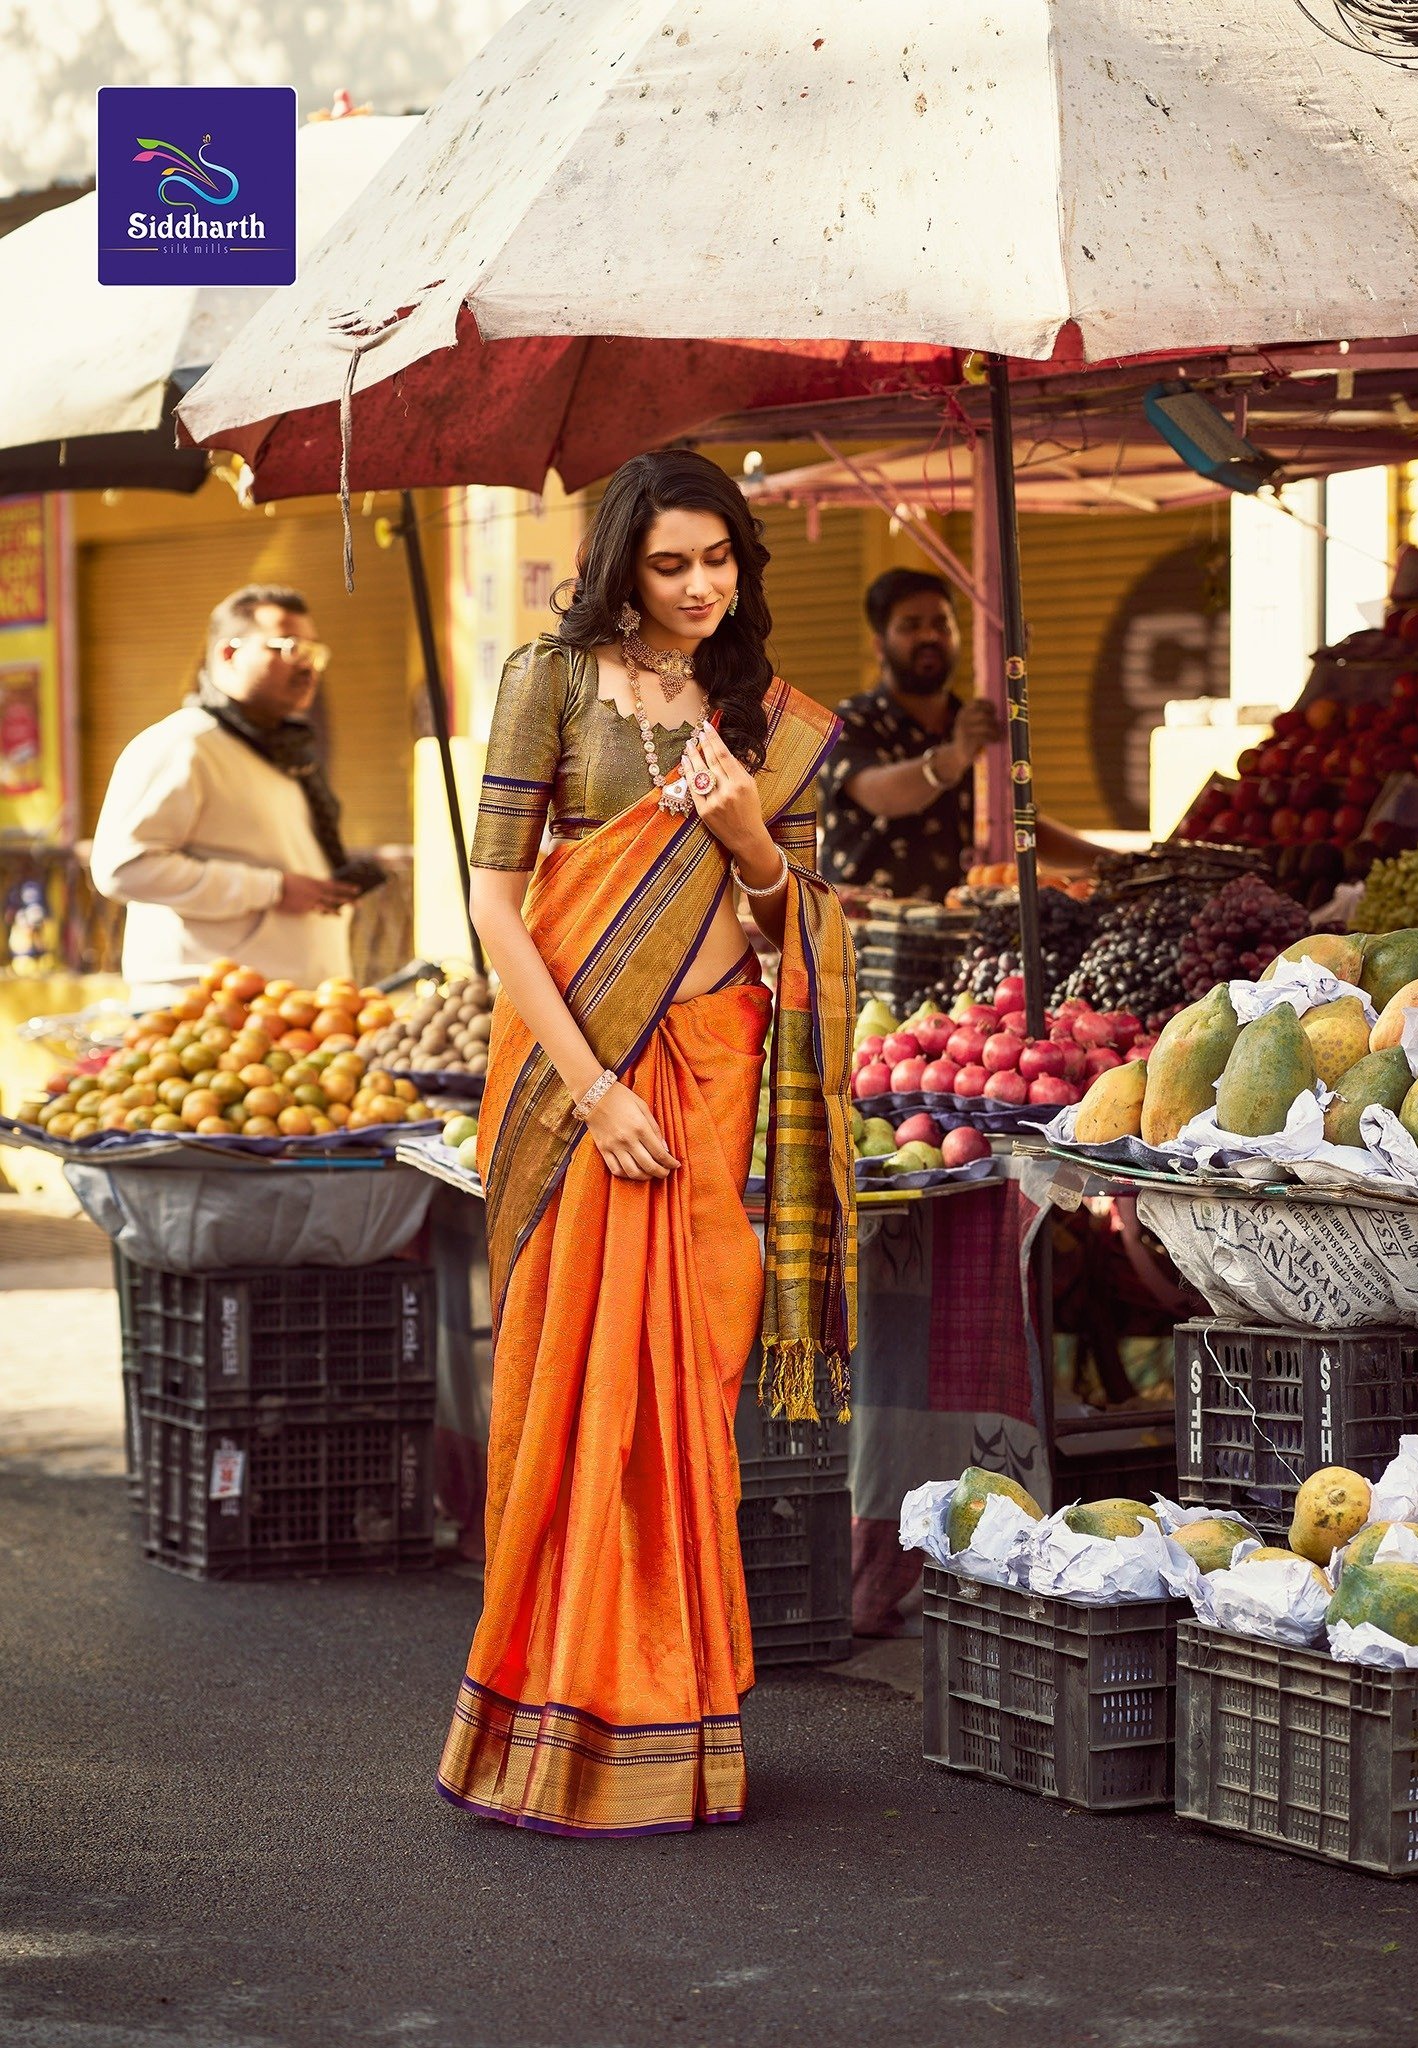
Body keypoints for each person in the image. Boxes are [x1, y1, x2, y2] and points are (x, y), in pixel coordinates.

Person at [436, 451, 857, 1839]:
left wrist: (747, 840)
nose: (695, 588)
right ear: (621, 564)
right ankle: (554, 1720)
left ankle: (677, 1723)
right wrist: (594, 1088)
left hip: (715, 1062)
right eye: (668, 564)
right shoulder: (546, 682)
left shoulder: (756, 713)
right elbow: (498, 912)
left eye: (717, 560)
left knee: (688, 1386)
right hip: (583, 1083)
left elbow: (778, 915)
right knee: (578, 1395)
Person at [90, 585, 384, 1006]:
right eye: (290, 648)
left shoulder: (285, 752)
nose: (308, 668)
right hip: (203, 1014)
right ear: (229, 653)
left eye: (315, 653)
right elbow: (124, 868)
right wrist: (273, 889)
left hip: (294, 1011)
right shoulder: (184, 744)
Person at [819, 567, 1094, 898]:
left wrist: (1126, 863)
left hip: (962, 938)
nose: (929, 636)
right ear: (880, 645)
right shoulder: (850, 723)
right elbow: (881, 794)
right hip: (863, 941)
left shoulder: (973, 726)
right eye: (911, 626)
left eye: (940, 624)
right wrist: (956, 756)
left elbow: (1019, 824)